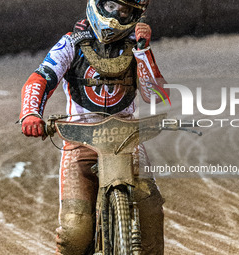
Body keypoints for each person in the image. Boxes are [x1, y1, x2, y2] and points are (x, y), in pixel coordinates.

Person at [19, 0, 169, 254]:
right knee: (75, 231)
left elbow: (157, 96)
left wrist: (144, 51)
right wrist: (30, 114)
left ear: (136, 15)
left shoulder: (136, 44)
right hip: (81, 139)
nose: (115, 16)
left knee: (150, 210)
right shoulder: (71, 42)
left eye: (124, 11)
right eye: (111, 5)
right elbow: (42, 77)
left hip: (126, 139)